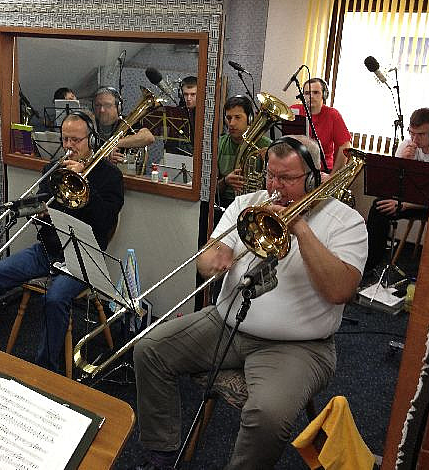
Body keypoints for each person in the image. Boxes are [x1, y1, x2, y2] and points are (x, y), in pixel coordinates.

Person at [132, 135, 367, 470]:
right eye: (271, 174)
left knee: (267, 415)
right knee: (149, 349)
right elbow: (205, 259)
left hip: (299, 345)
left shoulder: (346, 221)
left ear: (313, 177)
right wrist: (214, 257)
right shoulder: (248, 204)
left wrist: (301, 230)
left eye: (287, 178)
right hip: (225, 322)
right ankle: (161, 454)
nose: (275, 186)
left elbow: (340, 291)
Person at [0, 112, 124, 372]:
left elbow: (106, 221)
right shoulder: (53, 169)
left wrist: (85, 184)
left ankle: (45, 370)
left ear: (91, 139)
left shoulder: (109, 175)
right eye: (65, 139)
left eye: (76, 140)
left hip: (84, 256)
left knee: (55, 298)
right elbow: (42, 202)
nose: (69, 146)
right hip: (48, 250)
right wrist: (39, 211)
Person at [364, 107, 429, 273]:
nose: (415, 139)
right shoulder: (407, 145)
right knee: (379, 207)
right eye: (411, 133)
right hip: (409, 201)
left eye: (420, 134)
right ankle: (370, 264)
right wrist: (404, 161)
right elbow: (391, 185)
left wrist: (405, 205)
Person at [216, 95, 271, 209]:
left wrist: (268, 164)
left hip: (256, 205)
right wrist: (225, 181)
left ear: (250, 119)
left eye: (237, 117)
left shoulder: (267, 145)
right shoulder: (219, 144)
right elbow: (209, 190)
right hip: (225, 204)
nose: (231, 123)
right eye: (229, 118)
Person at [291, 78, 351, 174]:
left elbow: (345, 146)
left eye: (316, 92)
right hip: (296, 168)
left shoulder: (333, 114)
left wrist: (332, 176)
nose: (311, 96)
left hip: (322, 170)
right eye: (307, 93)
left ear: (324, 95)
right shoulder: (293, 111)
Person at [92, 86, 155, 163]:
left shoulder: (127, 122)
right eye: (98, 105)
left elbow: (148, 137)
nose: (102, 110)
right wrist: (104, 157)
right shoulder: (88, 123)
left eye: (107, 105)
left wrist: (112, 145)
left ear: (118, 107)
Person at [165, 76, 197, 156]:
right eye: (186, 94)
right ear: (181, 95)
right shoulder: (176, 113)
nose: (188, 98)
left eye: (193, 94)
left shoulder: (203, 115)